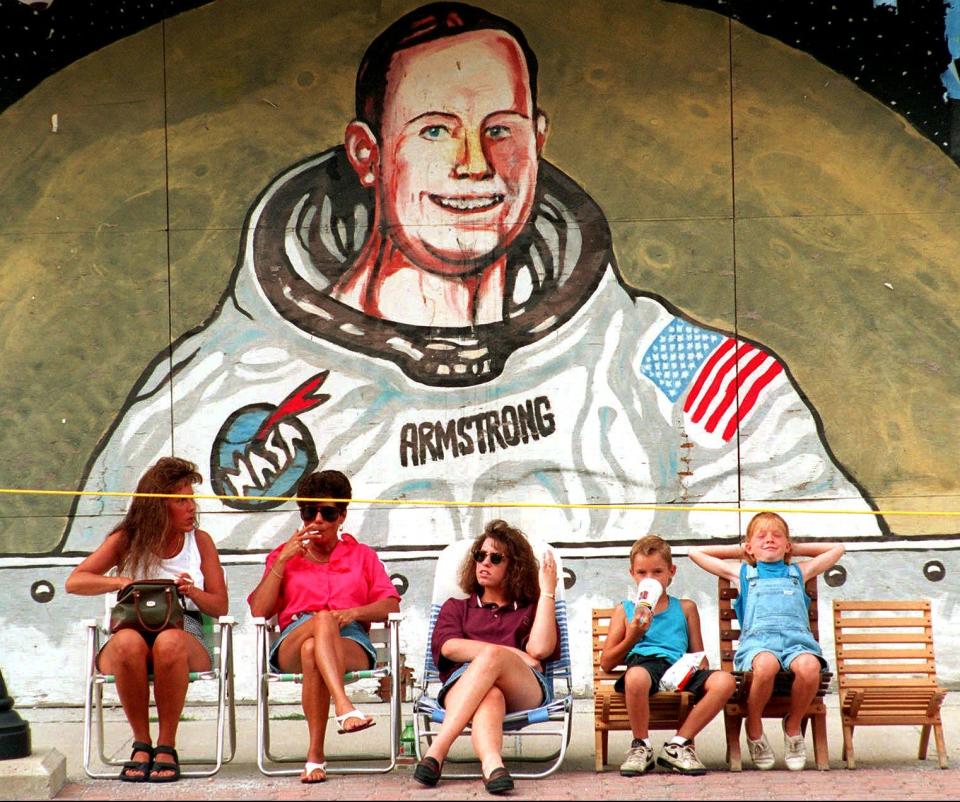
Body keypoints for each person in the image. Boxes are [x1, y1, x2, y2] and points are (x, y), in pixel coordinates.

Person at [61, 1, 886, 561]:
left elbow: (813, 570)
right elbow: (99, 598)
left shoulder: (685, 375)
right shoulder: (212, 402)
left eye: (500, 130)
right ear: (366, 153)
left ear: (540, 138)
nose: (472, 165)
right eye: (432, 131)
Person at [64, 457, 228, 783]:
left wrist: (192, 592)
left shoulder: (201, 542)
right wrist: (119, 582)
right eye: (181, 501)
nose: (191, 508)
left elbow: (220, 606)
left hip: (183, 628)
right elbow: (75, 581)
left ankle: (167, 745)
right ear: (157, 506)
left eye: (192, 500)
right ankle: (142, 743)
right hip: (132, 627)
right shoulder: (127, 539)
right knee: (127, 641)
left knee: (168, 641)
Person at [246, 469, 401, 784]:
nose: (317, 520)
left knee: (314, 648)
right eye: (308, 512)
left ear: (342, 516)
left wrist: (355, 612)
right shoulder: (284, 555)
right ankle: (343, 706)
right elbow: (259, 610)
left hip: (349, 641)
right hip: (293, 637)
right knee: (320, 622)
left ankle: (315, 755)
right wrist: (281, 561)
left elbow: (390, 605)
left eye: (327, 513)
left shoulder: (361, 556)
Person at [687, 511, 845, 771]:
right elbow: (695, 553)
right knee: (766, 665)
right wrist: (745, 551)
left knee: (810, 667)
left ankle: (793, 726)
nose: (770, 540)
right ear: (749, 546)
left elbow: (837, 549)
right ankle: (755, 725)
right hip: (758, 645)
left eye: (777, 536)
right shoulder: (743, 575)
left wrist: (793, 549)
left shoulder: (799, 571)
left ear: (787, 544)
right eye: (762, 536)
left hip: (798, 644)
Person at [414, 519, 560, 795]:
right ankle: (493, 765)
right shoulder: (457, 607)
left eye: (495, 558)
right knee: (490, 693)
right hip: (462, 686)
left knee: (492, 656)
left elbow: (539, 651)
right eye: (480, 556)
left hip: (524, 689)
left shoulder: (531, 609)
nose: (485, 563)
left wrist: (547, 592)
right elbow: (449, 648)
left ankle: (437, 751)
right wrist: (516, 653)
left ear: (514, 566)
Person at [600, 535, 736, 776]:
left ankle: (678, 744)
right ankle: (641, 745)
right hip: (644, 665)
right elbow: (607, 663)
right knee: (636, 677)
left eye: (657, 572)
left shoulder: (685, 608)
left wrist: (699, 670)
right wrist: (633, 634)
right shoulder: (625, 610)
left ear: (671, 572)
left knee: (725, 681)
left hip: (680, 668)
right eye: (642, 573)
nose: (649, 579)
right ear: (632, 573)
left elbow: (698, 653)